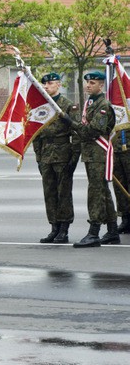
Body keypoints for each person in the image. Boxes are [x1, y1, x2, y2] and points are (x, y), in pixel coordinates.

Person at [67, 71, 118, 247]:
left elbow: (92, 131)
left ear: (101, 85)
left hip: (98, 154)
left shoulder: (103, 105)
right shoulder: (91, 103)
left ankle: (94, 232)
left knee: (96, 192)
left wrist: (71, 124)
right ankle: (112, 230)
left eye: (93, 83)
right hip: (91, 153)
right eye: (87, 82)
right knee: (103, 191)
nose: (88, 85)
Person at [32, 73, 81, 244]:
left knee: (64, 193)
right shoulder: (41, 106)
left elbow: (76, 132)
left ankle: (64, 229)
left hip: (62, 153)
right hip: (46, 154)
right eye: (44, 84)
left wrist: (74, 157)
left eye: (50, 83)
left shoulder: (68, 106)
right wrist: (38, 156)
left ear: (59, 85)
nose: (46, 87)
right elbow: (36, 133)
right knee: (49, 193)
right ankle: (54, 227)